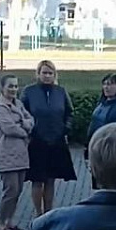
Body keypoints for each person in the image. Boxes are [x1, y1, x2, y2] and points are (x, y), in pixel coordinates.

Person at [21, 60, 77, 217]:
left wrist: (65, 129)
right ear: (38, 74)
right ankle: (38, 213)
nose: (47, 76)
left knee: (51, 179)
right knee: (37, 180)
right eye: (44, 73)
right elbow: (22, 113)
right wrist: (29, 130)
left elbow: (70, 112)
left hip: (56, 141)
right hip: (36, 141)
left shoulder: (61, 91)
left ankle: (49, 212)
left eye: (50, 73)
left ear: (54, 75)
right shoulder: (29, 91)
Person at [0, 74, 34, 230]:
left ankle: (10, 221)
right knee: (11, 190)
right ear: (2, 88)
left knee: (18, 191)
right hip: (7, 153)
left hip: (21, 153)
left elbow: (31, 120)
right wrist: (25, 130)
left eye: (16, 86)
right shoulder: (0, 108)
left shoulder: (19, 103)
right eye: (10, 86)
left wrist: (22, 123)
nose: (13, 89)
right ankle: (1, 223)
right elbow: (9, 128)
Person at [85, 74, 116, 156]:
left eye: (110, 84)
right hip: (95, 144)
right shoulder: (102, 103)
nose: (106, 87)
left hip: (109, 148)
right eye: (104, 84)